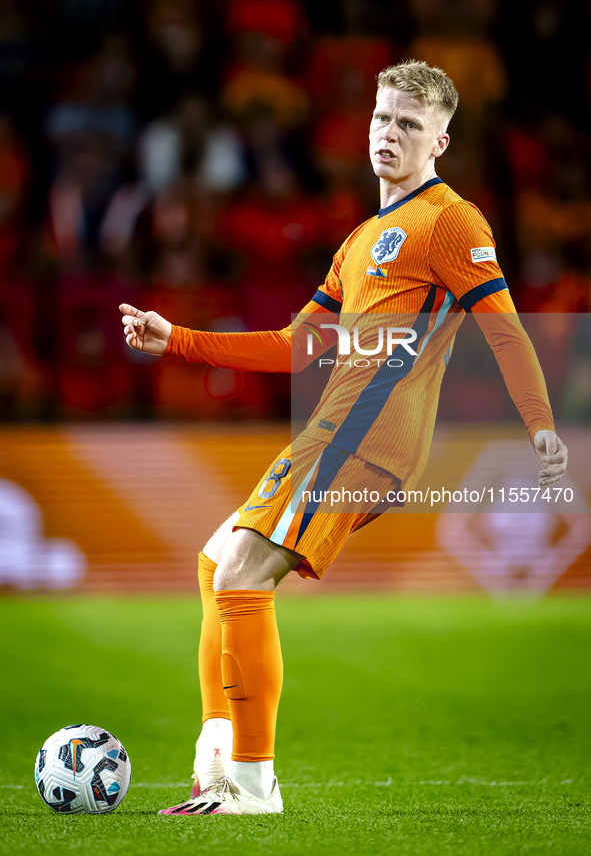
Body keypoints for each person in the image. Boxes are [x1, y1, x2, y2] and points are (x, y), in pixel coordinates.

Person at [120, 60, 568, 816]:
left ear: (440, 142)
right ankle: (218, 751)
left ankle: (251, 784)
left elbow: (506, 332)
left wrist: (541, 427)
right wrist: (180, 340)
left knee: (240, 574)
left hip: (366, 436)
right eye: (381, 118)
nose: (388, 134)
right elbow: (296, 346)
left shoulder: (451, 221)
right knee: (216, 560)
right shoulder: (362, 238)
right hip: (332, 428)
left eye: (408, 125)